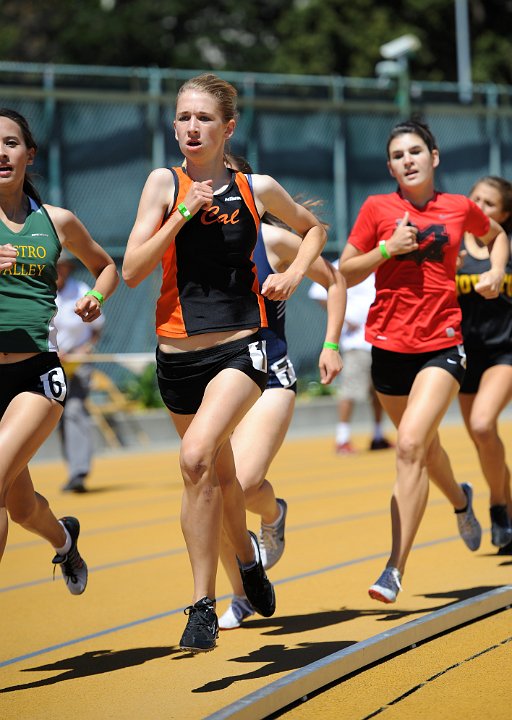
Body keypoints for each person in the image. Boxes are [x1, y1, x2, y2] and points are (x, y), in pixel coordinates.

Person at [122, 74, 327, 652]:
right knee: (222, 475)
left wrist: (289, 272)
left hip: (241, 348)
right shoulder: (164, 184)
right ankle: (249, 561)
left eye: (204, 118)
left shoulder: (255, 187)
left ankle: (201, 607)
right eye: (183, 117)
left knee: (194, 461)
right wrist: (181, 213)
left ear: (227, 127)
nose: (192, 127)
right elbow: (134, 270)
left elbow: (314, 231)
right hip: (176, 358)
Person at [339, 119, 510, 604]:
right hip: (389, 349)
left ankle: (394, 568)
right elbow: (344, 274)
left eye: (416, 151)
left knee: (410, 445)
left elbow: (497, 235)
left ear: (434, 157)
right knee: (427, 451)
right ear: (390, 166)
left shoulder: (458, 208)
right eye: (398, 155)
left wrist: (496, 270)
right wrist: (384, 250)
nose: (407, 160)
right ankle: (461, 499)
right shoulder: (376, 209)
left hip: (443, 345)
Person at [217, 153, 345, 630]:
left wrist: (331, 343)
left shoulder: (270, 237)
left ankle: (273, 512)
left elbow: (334, 281)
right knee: (211, 492)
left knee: (244, 483)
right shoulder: (186, 235)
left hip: (269, 374)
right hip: (213, 376)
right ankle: (241, 595)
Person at [0, 108, 119, 594]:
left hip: (34, 375)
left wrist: (95, 296)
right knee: (21, 506)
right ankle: (64, 540)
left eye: (9, 143)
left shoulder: (57, 221)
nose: (0, 153)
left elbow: (106, 266)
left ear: (29, 154)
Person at [456, 175, 512, 552]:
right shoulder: (453, 245)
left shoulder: (506, 248)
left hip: (504, 351)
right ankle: (507, 506)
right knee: (481, 439)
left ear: (504, 214)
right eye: (475, 197)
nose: (479, 205)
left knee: (482, 423)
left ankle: (496, 507)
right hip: (463, 355)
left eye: (489, 202)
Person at [308, 266, 393, 454]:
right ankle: (342, 438)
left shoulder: (383, 262)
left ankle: (378, 436)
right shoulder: (345, 264)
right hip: (357, 343)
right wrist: (344, 318)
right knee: (350, 391)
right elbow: (316, 291)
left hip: (382, 341)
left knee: (380, 393)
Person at [54, 251, 105, 493]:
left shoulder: (82, 290)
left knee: (74, 409)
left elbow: (96, 328)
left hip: (78, 362)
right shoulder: (40, 292)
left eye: (61, 267)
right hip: (50, 363)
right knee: (56, 415)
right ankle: (74, 468)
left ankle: (79, 471)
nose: (57, 272)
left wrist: (85, 349)